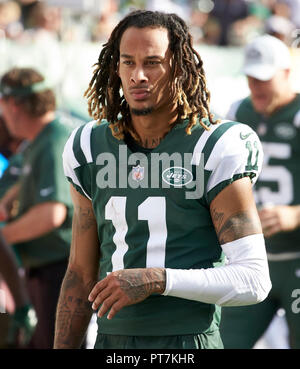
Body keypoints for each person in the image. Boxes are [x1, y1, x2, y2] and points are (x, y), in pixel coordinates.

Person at [54, 10, 271, 350]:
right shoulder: (87, 146)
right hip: (112, 342)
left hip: (188, 342)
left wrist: (157, 279)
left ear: (179, 69)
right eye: (128, 62)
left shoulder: (214, 145)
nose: (138, 75)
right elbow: (80, 275)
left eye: (152, 62)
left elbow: (254, 280)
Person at [220, 34, 300, 349]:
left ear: (285, 73)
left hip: (296, 258)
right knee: (224, 343)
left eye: (264, 78)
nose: (256, 86)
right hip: (252, 261)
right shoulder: (239, 114)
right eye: (251, 77)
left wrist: (295, 214)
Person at [0, 67, 73, 349]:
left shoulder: (54, 139)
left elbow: (52, 214)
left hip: (59, 271)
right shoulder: (39, 142)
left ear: (14, 104)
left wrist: (4, 237)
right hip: (43, 271)